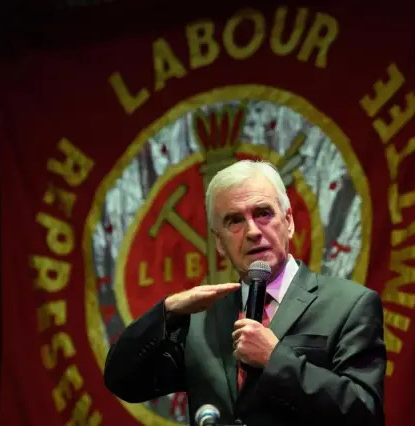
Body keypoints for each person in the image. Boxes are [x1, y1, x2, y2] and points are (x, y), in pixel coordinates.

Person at [104, 160, 387, 426]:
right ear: (219, 242)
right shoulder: (201, 320)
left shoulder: (349, 305)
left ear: (288, 222)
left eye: (263, 213)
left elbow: (365, 413)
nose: (252, 231)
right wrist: (167, 310)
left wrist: (275, 359)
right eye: (234, 221)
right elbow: (123, 380)